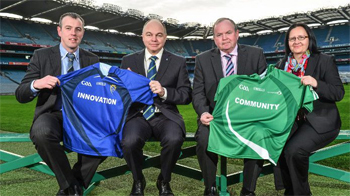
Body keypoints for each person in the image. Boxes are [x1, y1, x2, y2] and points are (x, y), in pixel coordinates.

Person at [15, 12, 106, 196]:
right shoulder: (41, 56)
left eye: (78, 29)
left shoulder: (93, 60)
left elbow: (100, 93)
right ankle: (73, 187)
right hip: (52, 115)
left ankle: (71, 187)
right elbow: (21, 94)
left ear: (83, 33)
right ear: (59, 31)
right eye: (68, 28)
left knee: (107, 135)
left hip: (82, 118)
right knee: (41, 132)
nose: (73, 33)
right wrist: (37, 84)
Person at [192, 18, 267, 196]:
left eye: (228, 33)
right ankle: (210, 188)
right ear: (214, 39)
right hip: (215, 118)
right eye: (219, 35)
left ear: (236, 34)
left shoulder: (256, 54)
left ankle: (248, 190)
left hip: (248, 117)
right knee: (204, 138)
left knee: (259, 134)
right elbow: (198, 92)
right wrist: (203, 112)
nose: (224, 38)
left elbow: (265, 89)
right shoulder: (202, 60)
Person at [120, 19, 192, 196]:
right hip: (138, 115)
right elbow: (119, 94)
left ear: (165, 38)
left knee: (175, 139)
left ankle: (164, 180)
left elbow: (186, 94)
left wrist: (164, 92)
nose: (154, 39)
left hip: (165, 115)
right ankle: (138, 180)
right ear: (142, 37)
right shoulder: (128, 60)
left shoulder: (178, 61)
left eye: (159, 35)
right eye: (149, 35)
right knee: (129, 141)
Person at [276, 23, 344, 196]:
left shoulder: (324, 60)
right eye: (292, 38)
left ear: (309, 39)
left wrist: (316, 83)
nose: (296, 41)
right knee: (275, 144)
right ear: (287, 42)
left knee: (294, 150)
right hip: (291, 121)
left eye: (301, 37)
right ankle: (290, 191)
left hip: (320, 121)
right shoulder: (281, 65)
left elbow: (338, 92)